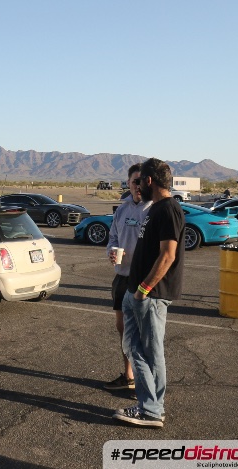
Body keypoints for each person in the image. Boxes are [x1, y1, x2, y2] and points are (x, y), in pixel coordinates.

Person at [114, 157, 185, 428]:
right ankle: (148, 405)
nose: (137, 185)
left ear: (149, 181)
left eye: (140, 179)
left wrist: (144, 289)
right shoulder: (155, 209)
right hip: (136, 293)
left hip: (150, 296)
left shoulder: (168, 209)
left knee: (150, 352)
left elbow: (168, 255)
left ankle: (152, 410)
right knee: (133, 348)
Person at [103, 163, 151, 391]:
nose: (138, 186)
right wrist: (111, 252)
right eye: (134, 181)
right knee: (124, 331)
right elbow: (112, 238)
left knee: (144, 334)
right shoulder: (122, 210)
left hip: (143, 280)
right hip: (122, 278)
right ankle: (129, 376)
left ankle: (145, 385)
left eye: (142, 181)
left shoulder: (153, 210)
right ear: (129, 183)